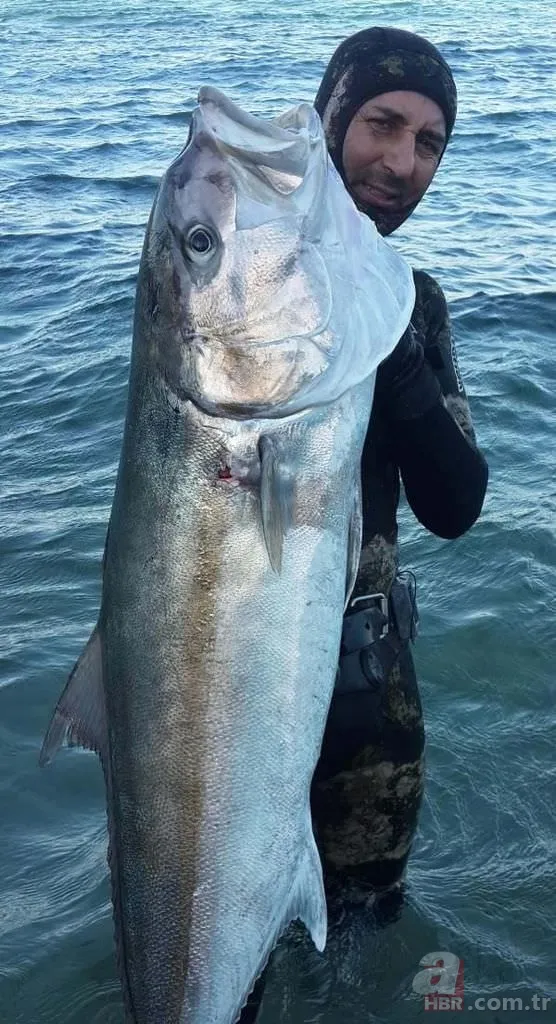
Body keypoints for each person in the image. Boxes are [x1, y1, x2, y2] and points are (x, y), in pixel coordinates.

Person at [240, 25, 488, 1023]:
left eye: (429, 142)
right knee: (229, 941)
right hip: (241, 677)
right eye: (382, 123)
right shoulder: (250, 287)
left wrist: (390, 351)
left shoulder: (412, 301)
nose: (402, 160)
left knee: (362, 944)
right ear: (332, 118)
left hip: (368, 692)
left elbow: (455, 502)